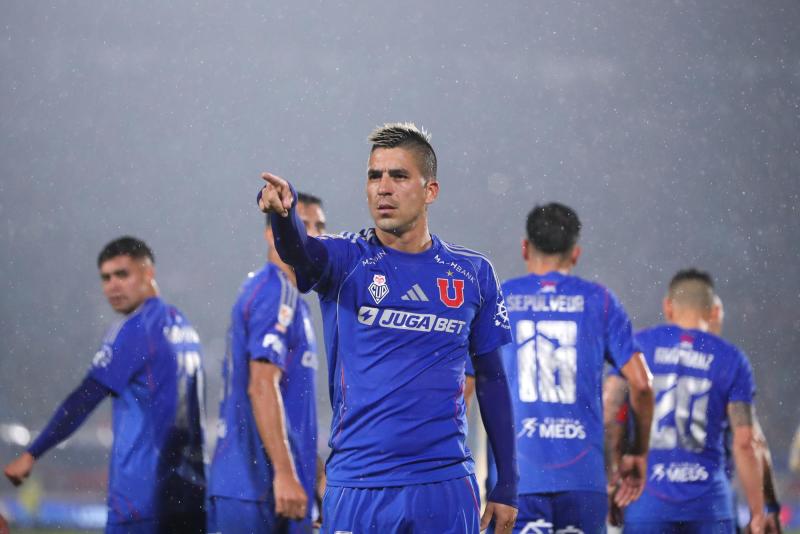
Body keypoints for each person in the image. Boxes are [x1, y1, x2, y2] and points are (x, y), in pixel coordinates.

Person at [257, 122, 519, 533]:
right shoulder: (345, 260)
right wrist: (284, 217)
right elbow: (299, 251)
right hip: (359, 485)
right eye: (374, 176)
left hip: (445, 485)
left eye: (398, 176)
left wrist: (507, 483)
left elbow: (492, 380)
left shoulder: (472, 273)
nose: (383, 188)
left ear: (430, 190)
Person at [3, 236, 206, 533]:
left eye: (122, 274)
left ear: (148, 273)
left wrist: (31, 454)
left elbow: (85, 397)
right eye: (106, 278)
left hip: (142, 498)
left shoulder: (135, 328)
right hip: (191, 495)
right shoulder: (183, 325)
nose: (112, 286)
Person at [484, 202, 654, 533]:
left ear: (524, 248)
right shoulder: (600, 301)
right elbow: (643, 385)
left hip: (514, 482)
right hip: (582, 480)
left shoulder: (499, 299)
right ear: (575, 253)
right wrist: (637, 452)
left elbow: (465, 386)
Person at [612, 269, 765, 534]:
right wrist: (758, 512)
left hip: (647, 500)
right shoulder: (730, 358)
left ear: (668, 307)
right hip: (709, 505)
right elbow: (745, 443)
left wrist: (612, 478)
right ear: (713, 312)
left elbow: (611, 407)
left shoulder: (639, 345)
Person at [207, 193, 326, 533]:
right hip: (257, 488)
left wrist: (314, 472)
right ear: (272, 233)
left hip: (261, 485)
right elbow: (261, 385)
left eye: (320, 226)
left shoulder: (285, 296)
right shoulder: (276, 293)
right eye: (302, 224)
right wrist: (286, 474)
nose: (313, 234)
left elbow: (287, 406)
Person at [711, 296, 782, 534]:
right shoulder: (727, 367)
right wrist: (766, 508)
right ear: (714, 314)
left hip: (656, 501)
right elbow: (753, 443)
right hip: (711, 503)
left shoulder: (654, 360)